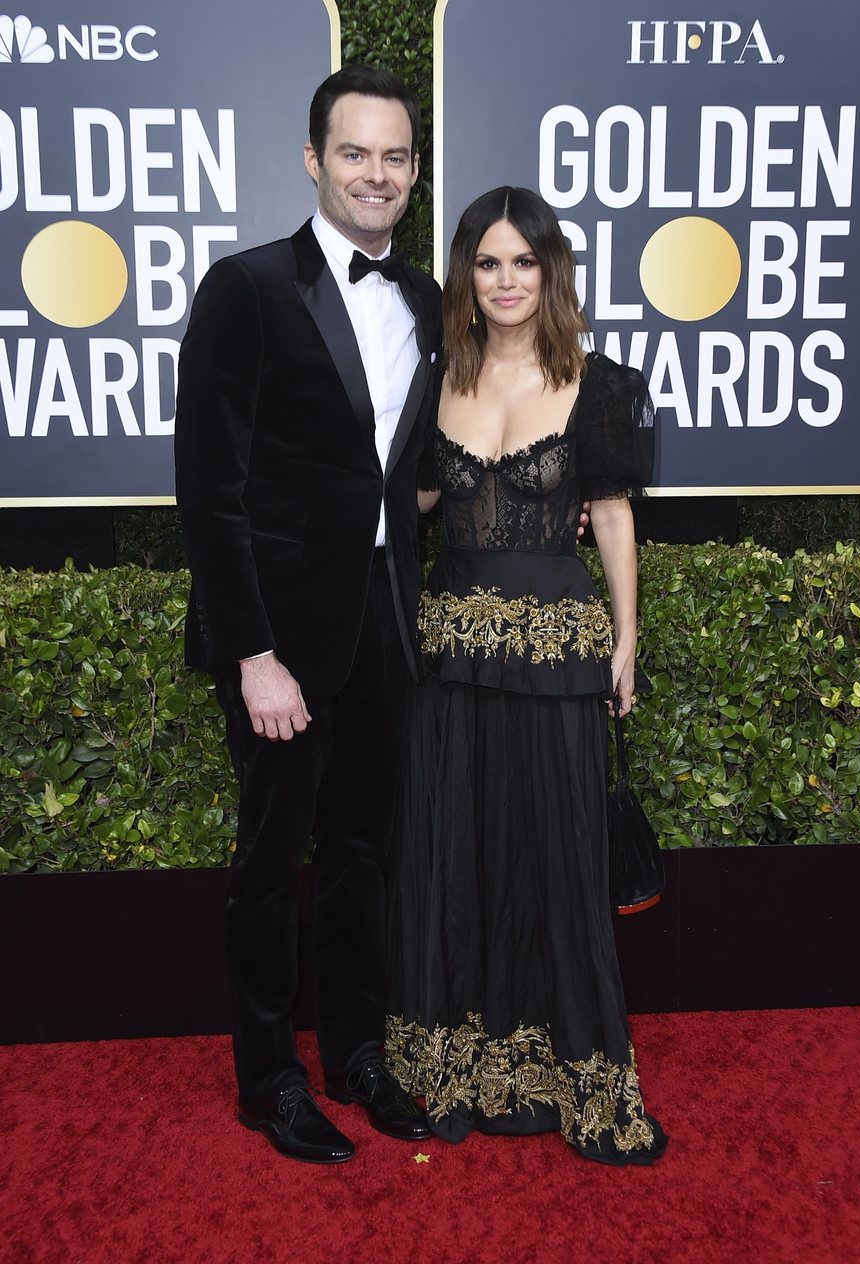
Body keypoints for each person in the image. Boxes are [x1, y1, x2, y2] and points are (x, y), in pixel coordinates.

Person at [174, 66, 443, 1164]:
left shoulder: (426, 299)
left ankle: (358, 1054)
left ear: (413, 173)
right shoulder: (246, 289)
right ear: (312, 159)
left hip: (387, 623)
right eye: (354, 153)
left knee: (365, 852)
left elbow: (408, 471)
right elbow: (210, 488)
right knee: (271, 859)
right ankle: (269, 1079)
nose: (374, 173)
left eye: (394, 157)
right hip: (281, 640)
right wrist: (253, 653)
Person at [385, 187, 668, 1165]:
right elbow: (409, 499)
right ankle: (468, 1064)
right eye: (487, 263)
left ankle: (574, 1071)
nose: (505, 281)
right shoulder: (438, 379)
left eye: (523, 263)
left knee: (552, 860)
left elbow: (616, 515)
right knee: (460, 856)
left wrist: (625, 642)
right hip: (452, 662)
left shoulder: (596, 383)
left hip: (555, 659)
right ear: (466, 273)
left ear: (550, 273)